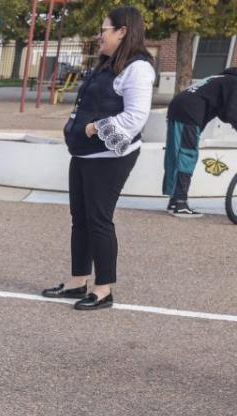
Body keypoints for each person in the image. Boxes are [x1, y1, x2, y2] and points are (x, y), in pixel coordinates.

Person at [44, 5, 154, 311]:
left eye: (104, 30)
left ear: (122, 32)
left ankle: (103, 289)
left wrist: (93, 128)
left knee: (98, 220)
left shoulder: (138, 68)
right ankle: (77, 280)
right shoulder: (108, 64)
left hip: (109, 156)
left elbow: (136, 116)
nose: (99, 35)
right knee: (80, 219)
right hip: (84, 153)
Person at [163, 67, 237, 217]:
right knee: (187, 154)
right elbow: (232, 112)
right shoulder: (234, 83)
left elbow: (223, 111)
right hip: (189, 112)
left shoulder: (219, 78)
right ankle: (180, 203)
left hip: (178, 107)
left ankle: (174, 200)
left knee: (176, 154)